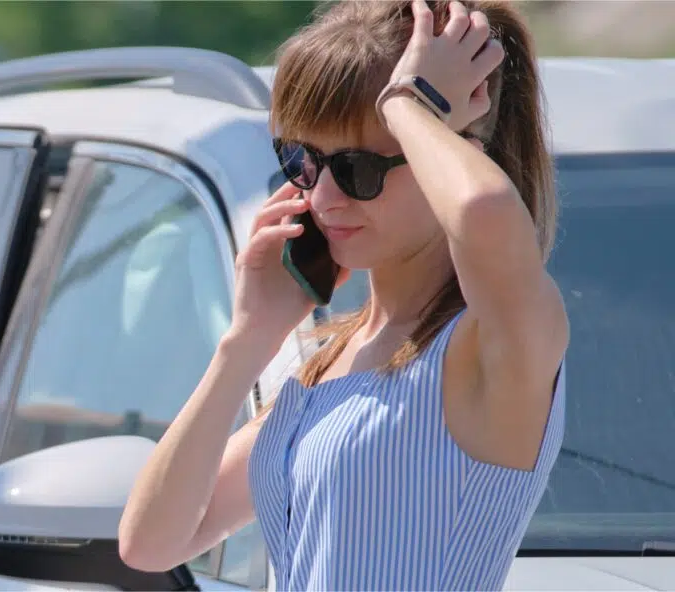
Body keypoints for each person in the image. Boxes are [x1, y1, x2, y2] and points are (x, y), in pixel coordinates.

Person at [118, 0, 569, 590]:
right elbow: (151, 543)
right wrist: (247, 341)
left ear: (456, 150)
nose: (325, 197)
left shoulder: (492, 340)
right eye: (305, 160)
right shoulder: (328, 364)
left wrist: (411, 106)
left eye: (358, 167)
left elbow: (482, 208)